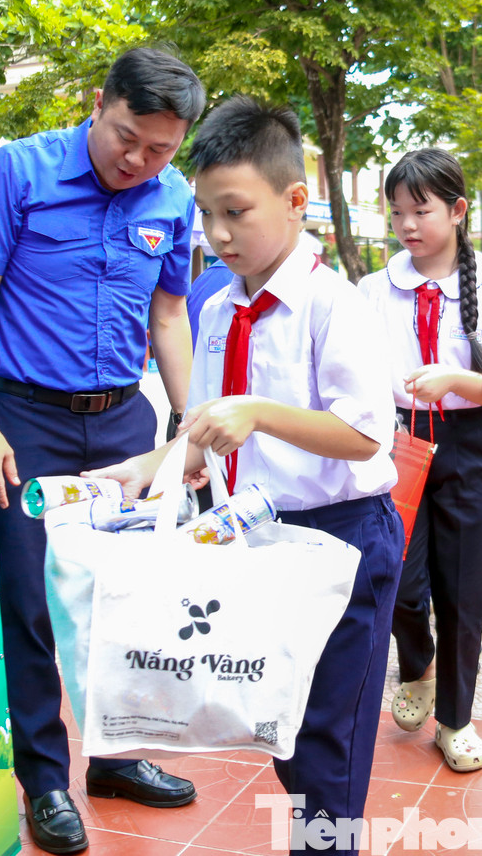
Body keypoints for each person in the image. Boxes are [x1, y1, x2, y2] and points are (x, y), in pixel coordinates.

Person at [87, 97, 401, 856]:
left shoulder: (333, 306)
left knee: (329, 737)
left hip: (342, 537)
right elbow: (205, 437)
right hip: (258, 538)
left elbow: (365, 435)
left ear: (295, 200)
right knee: (281, 724)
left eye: (236, 212)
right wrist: (144, 469)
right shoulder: (220, 310)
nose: (218, 234)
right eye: (206, 214)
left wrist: (257, 413)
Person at [0, 47, 204, 854]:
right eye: (127, 138)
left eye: (160, 149)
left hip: (122, 423)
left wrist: (188, 422)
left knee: (125, 597)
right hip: (25, 419)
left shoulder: (173, 197)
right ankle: (45, 778)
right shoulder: (19, 172)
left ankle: (115, 756)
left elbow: (169, 315)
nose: (138, 161)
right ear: (98, 102)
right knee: (31, 600)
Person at [360, 147, 482, 773]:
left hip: (466, 444)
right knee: (395, 579)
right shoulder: (373, 290)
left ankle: (456, 721)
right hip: (397, 441)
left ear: (458, 210)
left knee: (462, 591)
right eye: (397, 212)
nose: (407, 225)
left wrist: (455, 379)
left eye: (422, 210)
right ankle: (419, 666)